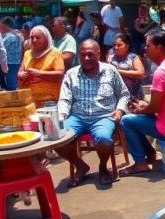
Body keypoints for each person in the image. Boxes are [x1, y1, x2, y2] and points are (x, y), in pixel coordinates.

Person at [56, 39, 131, 186]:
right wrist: (62, 114)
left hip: (103, 116)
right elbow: (64, 99)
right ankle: (81, 166)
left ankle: (103, 167)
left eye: (90, 55)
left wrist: (120, 110)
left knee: (103, 139)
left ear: (98, 54)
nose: (86, 58)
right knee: (57, 139)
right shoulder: (71, 74)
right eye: (82, 55)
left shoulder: (110, 70)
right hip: (78, 117)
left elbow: (124, 94)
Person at [120, 31, 165, 175]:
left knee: (126, 120)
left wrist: (139, 110)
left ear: (159, 47)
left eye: (148, 46)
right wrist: (144, 107)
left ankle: (140, 163)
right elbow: (162, 103)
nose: (145, 49)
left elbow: (155, 107)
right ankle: (150, 153)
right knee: (137, 118)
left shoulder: (161, 71)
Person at [18, 25, 67, 106]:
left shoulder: (55, 53)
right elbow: (20, 71)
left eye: (38, 38)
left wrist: (39, 73)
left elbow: (60, 73)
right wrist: (21, 75)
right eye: (32, 37)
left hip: (48, 100)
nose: (34, 40)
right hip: (28, 100)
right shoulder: (28, 53)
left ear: (46, 39)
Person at [107, 32, 146, 100]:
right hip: (115, 96)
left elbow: (140, 74)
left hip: (133, 95)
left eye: (119, 45)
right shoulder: (111, 57)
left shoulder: (133, 58)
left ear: (127, 46)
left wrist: (118, 71)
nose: (116, 47)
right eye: (114, 45)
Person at [0, 17, 23, 91]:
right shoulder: (16, 34)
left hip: (10, 64)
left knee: (11, 86)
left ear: (5, 25)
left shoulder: (10, 37)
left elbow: (0, 49)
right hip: (14, 63)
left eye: (0, 25)